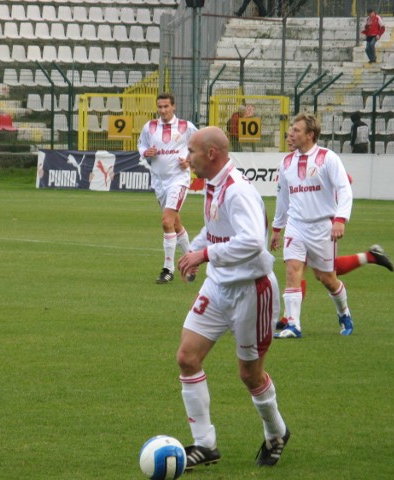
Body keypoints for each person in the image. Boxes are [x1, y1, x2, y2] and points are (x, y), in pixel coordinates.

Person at [176, 126, 289, 470]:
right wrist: (195, 251)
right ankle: (205, 444)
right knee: (186, 358)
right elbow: (213, 229)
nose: (187, 157)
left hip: (251, 291)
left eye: (192, 151)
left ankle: (276, 432)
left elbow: (253, 241)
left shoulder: (238, 190)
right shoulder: (213, 185)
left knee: (249, 375)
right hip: (218, 286)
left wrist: (205, 254)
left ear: (211, 154)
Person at [270, 113, 354, 339]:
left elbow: (345, 189)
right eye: (291, 129)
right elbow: (283, 198)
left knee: (326, 279)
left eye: (296, 130)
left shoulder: (328, 158)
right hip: (296, 226)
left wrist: (340, 219)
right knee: (292, 270)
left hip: (322, 227)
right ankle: (294, 325)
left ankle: (343, 312)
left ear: (310, 135)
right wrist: (277, 228)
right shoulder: (286, 162)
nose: (291, 133)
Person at [138, 93, 198, 284]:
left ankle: (168, 269)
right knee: (175, 223)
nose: (162, 110)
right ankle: (191, 259)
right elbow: (141, 146)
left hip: (178, 180)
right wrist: (146, 152)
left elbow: (199, 146)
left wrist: (189, 161)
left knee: (166, 221)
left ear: (174, 107)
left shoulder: (186, 126)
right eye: (160, 107)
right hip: (159, 181)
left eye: (166, 107)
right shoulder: (150, 127)